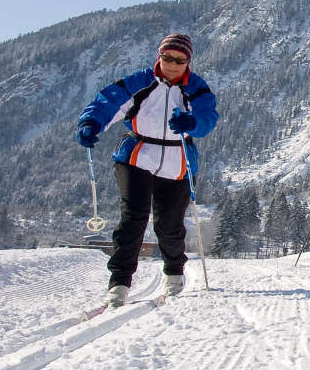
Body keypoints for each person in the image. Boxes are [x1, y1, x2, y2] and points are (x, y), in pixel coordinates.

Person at [76, 33, 219, 307]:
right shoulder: (140, 83)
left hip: (178, 162)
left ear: (188, 61)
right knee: (134, 217)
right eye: (168, 58)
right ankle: (119, 281)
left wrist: (191, 122)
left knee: (169, 224)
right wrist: (90, 123)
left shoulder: (197, 89)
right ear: (159, 56)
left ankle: (175, 272)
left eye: (180, 60)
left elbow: (208, 118)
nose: (173, 65)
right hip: (137, 156)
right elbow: (107, 102)